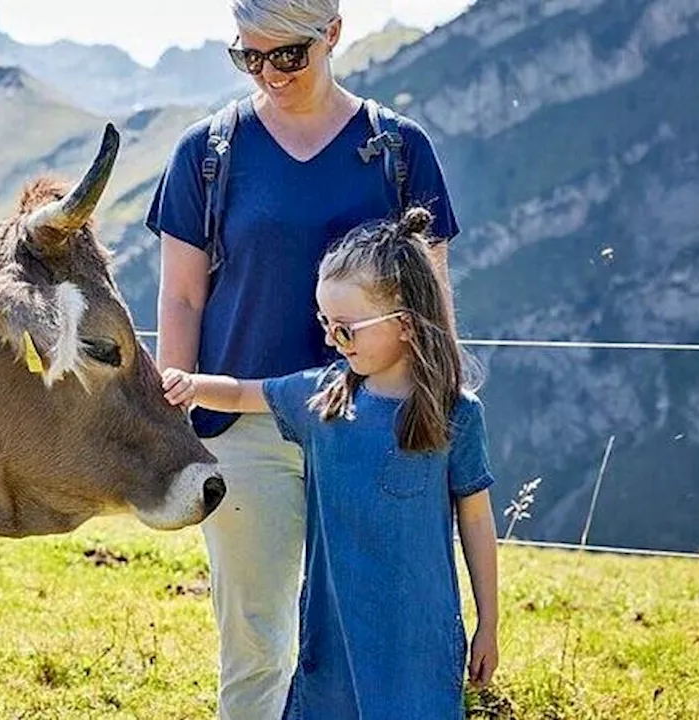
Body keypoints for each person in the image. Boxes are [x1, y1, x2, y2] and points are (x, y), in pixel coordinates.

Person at [144, 1, 461, 716]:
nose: (269, 73)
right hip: (241, 429)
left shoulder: (399, 150)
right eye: (248, 57)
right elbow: (184, 300)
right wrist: (177, 425)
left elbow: (430, 302)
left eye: (287, 55)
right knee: (256, 644)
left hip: (371, 426)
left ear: (333, 36)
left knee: (369, 636)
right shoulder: (207, 153)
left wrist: (433, 409)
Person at [161, 207, 500, 719]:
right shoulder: (321, 402)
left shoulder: (455, 414)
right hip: (332, 640)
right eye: (325, 324)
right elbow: (240, 394)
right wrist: (187, 383)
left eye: (345, 330)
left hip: (419, 645)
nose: (330, 342)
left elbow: (476, 520)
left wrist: (488, 623)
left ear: (404, 324)